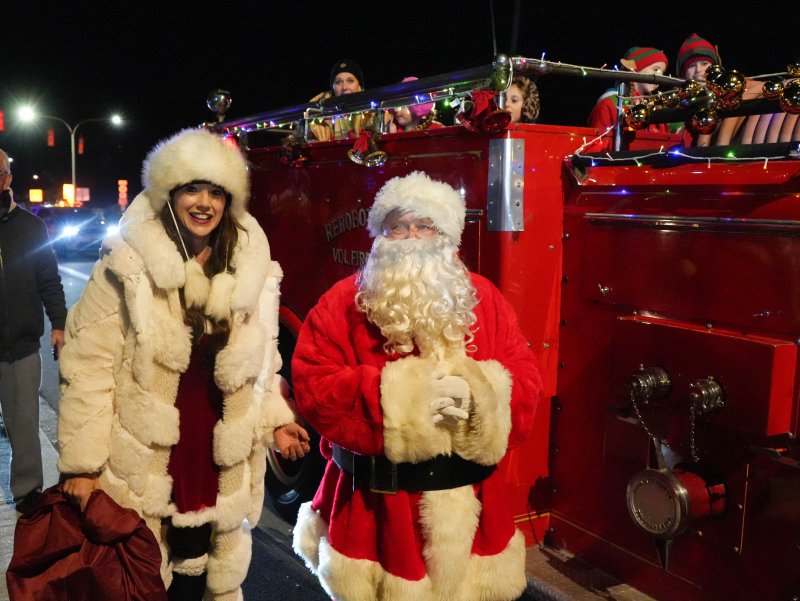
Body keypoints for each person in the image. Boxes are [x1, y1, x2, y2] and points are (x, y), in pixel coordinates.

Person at [57, 128, 311, 601]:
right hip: (143, 455)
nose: (204, 202)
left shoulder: (249, 271)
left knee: (199, 578)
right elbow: (87, 365)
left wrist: (276, 421)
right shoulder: (127, 266)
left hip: (216, 455)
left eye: (217, 192)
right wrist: (82, 464)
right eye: (192, 188)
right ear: (169, 192)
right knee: (142, 577)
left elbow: (262, 365)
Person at [291, 171, 542, 601]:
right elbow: (314, 384)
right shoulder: (341, 302)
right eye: (398, 225)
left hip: (469, 505)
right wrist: (403, 403)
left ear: (447, 236)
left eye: (425, 225)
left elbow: (526, 375)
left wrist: (483, 395)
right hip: (375, 509)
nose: (412, 236)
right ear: (381, 236)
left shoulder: (485, 297)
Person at [0, 148, 67, 516]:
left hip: (21, 346)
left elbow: (49, 280)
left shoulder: (31, 226)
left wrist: (59, 323)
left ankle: (28, 493)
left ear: (8, 179)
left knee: (23, 422)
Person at [587, 46, 670, 149]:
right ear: (635, 69)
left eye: (662, 72)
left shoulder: (656, 107)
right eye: (656, 69)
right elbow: (595, 147)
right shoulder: (609, 105)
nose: (661, 76)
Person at [309, 59, 368, 141]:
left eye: (350, 81)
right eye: (338, 82)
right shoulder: (321, 116)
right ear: (333, 88)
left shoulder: (373, 112)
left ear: (359, 87)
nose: (344, 87)